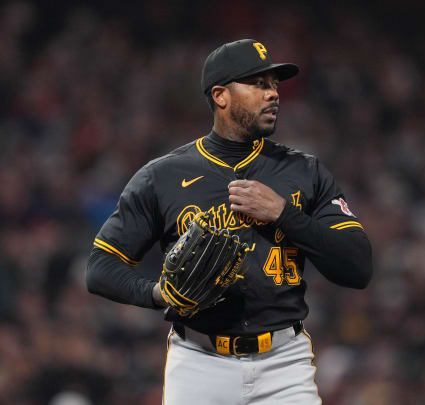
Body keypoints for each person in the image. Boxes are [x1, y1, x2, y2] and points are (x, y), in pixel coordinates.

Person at [86, 38, 373, 404]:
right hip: (198, 363)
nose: (273, 94)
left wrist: (285, 214)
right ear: (220, 95)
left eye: (273, 85)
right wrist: (158, 294)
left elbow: (358, 267)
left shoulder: (305, 171)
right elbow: (99, 268)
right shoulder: (163, 176)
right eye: (258, 84)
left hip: (284, 362)